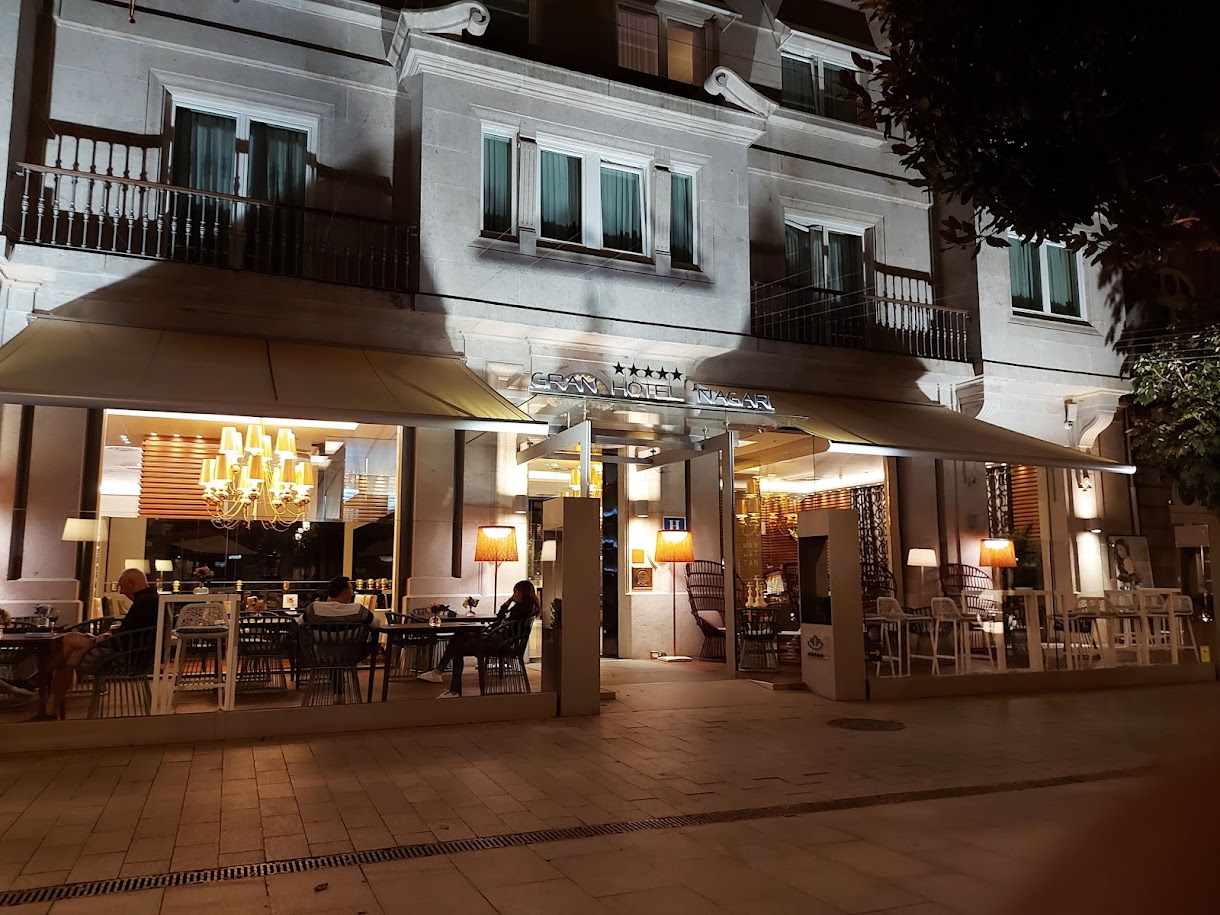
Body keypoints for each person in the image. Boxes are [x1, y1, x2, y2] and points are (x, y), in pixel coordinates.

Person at [45, 567, 160, 718]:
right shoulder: (151, 600)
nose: (121, 592)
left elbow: (127, 637)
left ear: (132, 583)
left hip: (122, 656)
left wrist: (103, 639)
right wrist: (109, 634)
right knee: (70, 654)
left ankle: (38, 683)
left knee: (70, 643)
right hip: (131, 653)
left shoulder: (144, 603)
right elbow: (133, 631)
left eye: (122, 587)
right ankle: (48, 707)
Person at [418, 580, 540, 697]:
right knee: (460, 637)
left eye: (515, 592)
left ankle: (445, 679)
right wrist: (508, 602)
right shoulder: (525, 608)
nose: (513, 595)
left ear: (522, 593)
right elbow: (499, 618)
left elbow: (502, 623)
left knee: (458, 643)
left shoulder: (522, 609)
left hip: (498, 644)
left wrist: (505, 611)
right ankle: (445, 680)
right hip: (499, 641)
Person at [303, 576, 380, 629]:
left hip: (319, 648)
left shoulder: (313, 608)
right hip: (352, 648)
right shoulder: (358, 609)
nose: (352, 592)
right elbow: (376, 624)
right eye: (351, 590)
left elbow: (300, 622)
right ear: (344, 592)